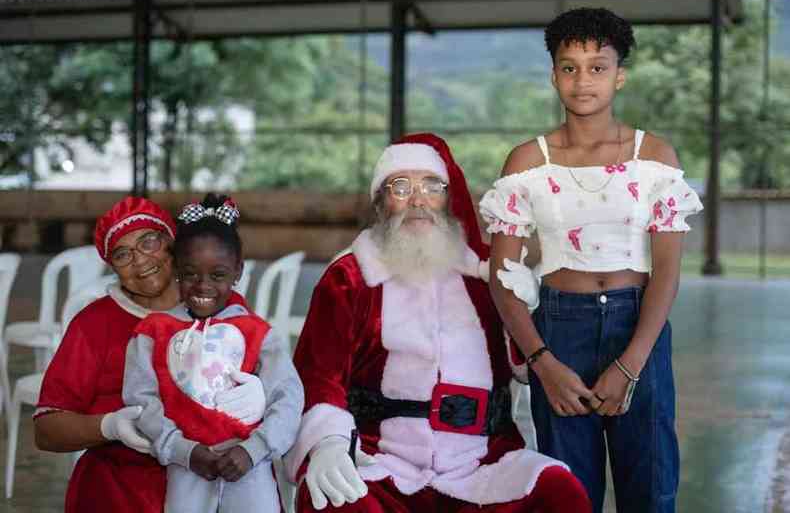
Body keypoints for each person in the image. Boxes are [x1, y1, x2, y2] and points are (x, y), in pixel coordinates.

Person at [285, 133, 591, 512]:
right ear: (381, 204)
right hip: (380, 461)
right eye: (401, 187)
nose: (417, 200)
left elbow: (525, 369)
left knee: (560, 493)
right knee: (331, 501)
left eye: (432, 186)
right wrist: (327, 443)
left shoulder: (483, 278)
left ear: (448, 200)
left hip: (479, 462)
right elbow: (317, 375)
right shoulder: (349, 278)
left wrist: (524, 311)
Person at [479, 8, 704, 513]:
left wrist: (631, 364)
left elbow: (666, 271)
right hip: (559, 330)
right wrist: (543, 363)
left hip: (638, 324)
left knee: (650, 486)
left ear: (620, 75)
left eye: (597, 67)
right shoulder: (527, 162)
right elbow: (501, 280)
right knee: (569, 494)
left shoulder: (656, 159)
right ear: (554, 74)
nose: (583, 80)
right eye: (568, 67)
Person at [35, 196, 269, 512]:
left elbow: (275, 380)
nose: (141, 260)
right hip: (121, 488)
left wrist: (260, 394)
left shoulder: (219, 301)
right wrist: (109, 426)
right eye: (122, 254)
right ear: (111, 266)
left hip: (213, 484)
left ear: (172, 242)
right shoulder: (94, 324)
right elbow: (47, 430)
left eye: (149, 241)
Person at [123, 193, 304, 513]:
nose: (203, 286)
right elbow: (141, 400)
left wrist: (254, 449)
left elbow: (288, 397)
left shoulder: (258, 334)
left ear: (238, 271)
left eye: (218, 275)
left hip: (250, 466)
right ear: (177, 269)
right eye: (191, 274)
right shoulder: (152, 333)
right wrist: (183, 450)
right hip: (185, 467)